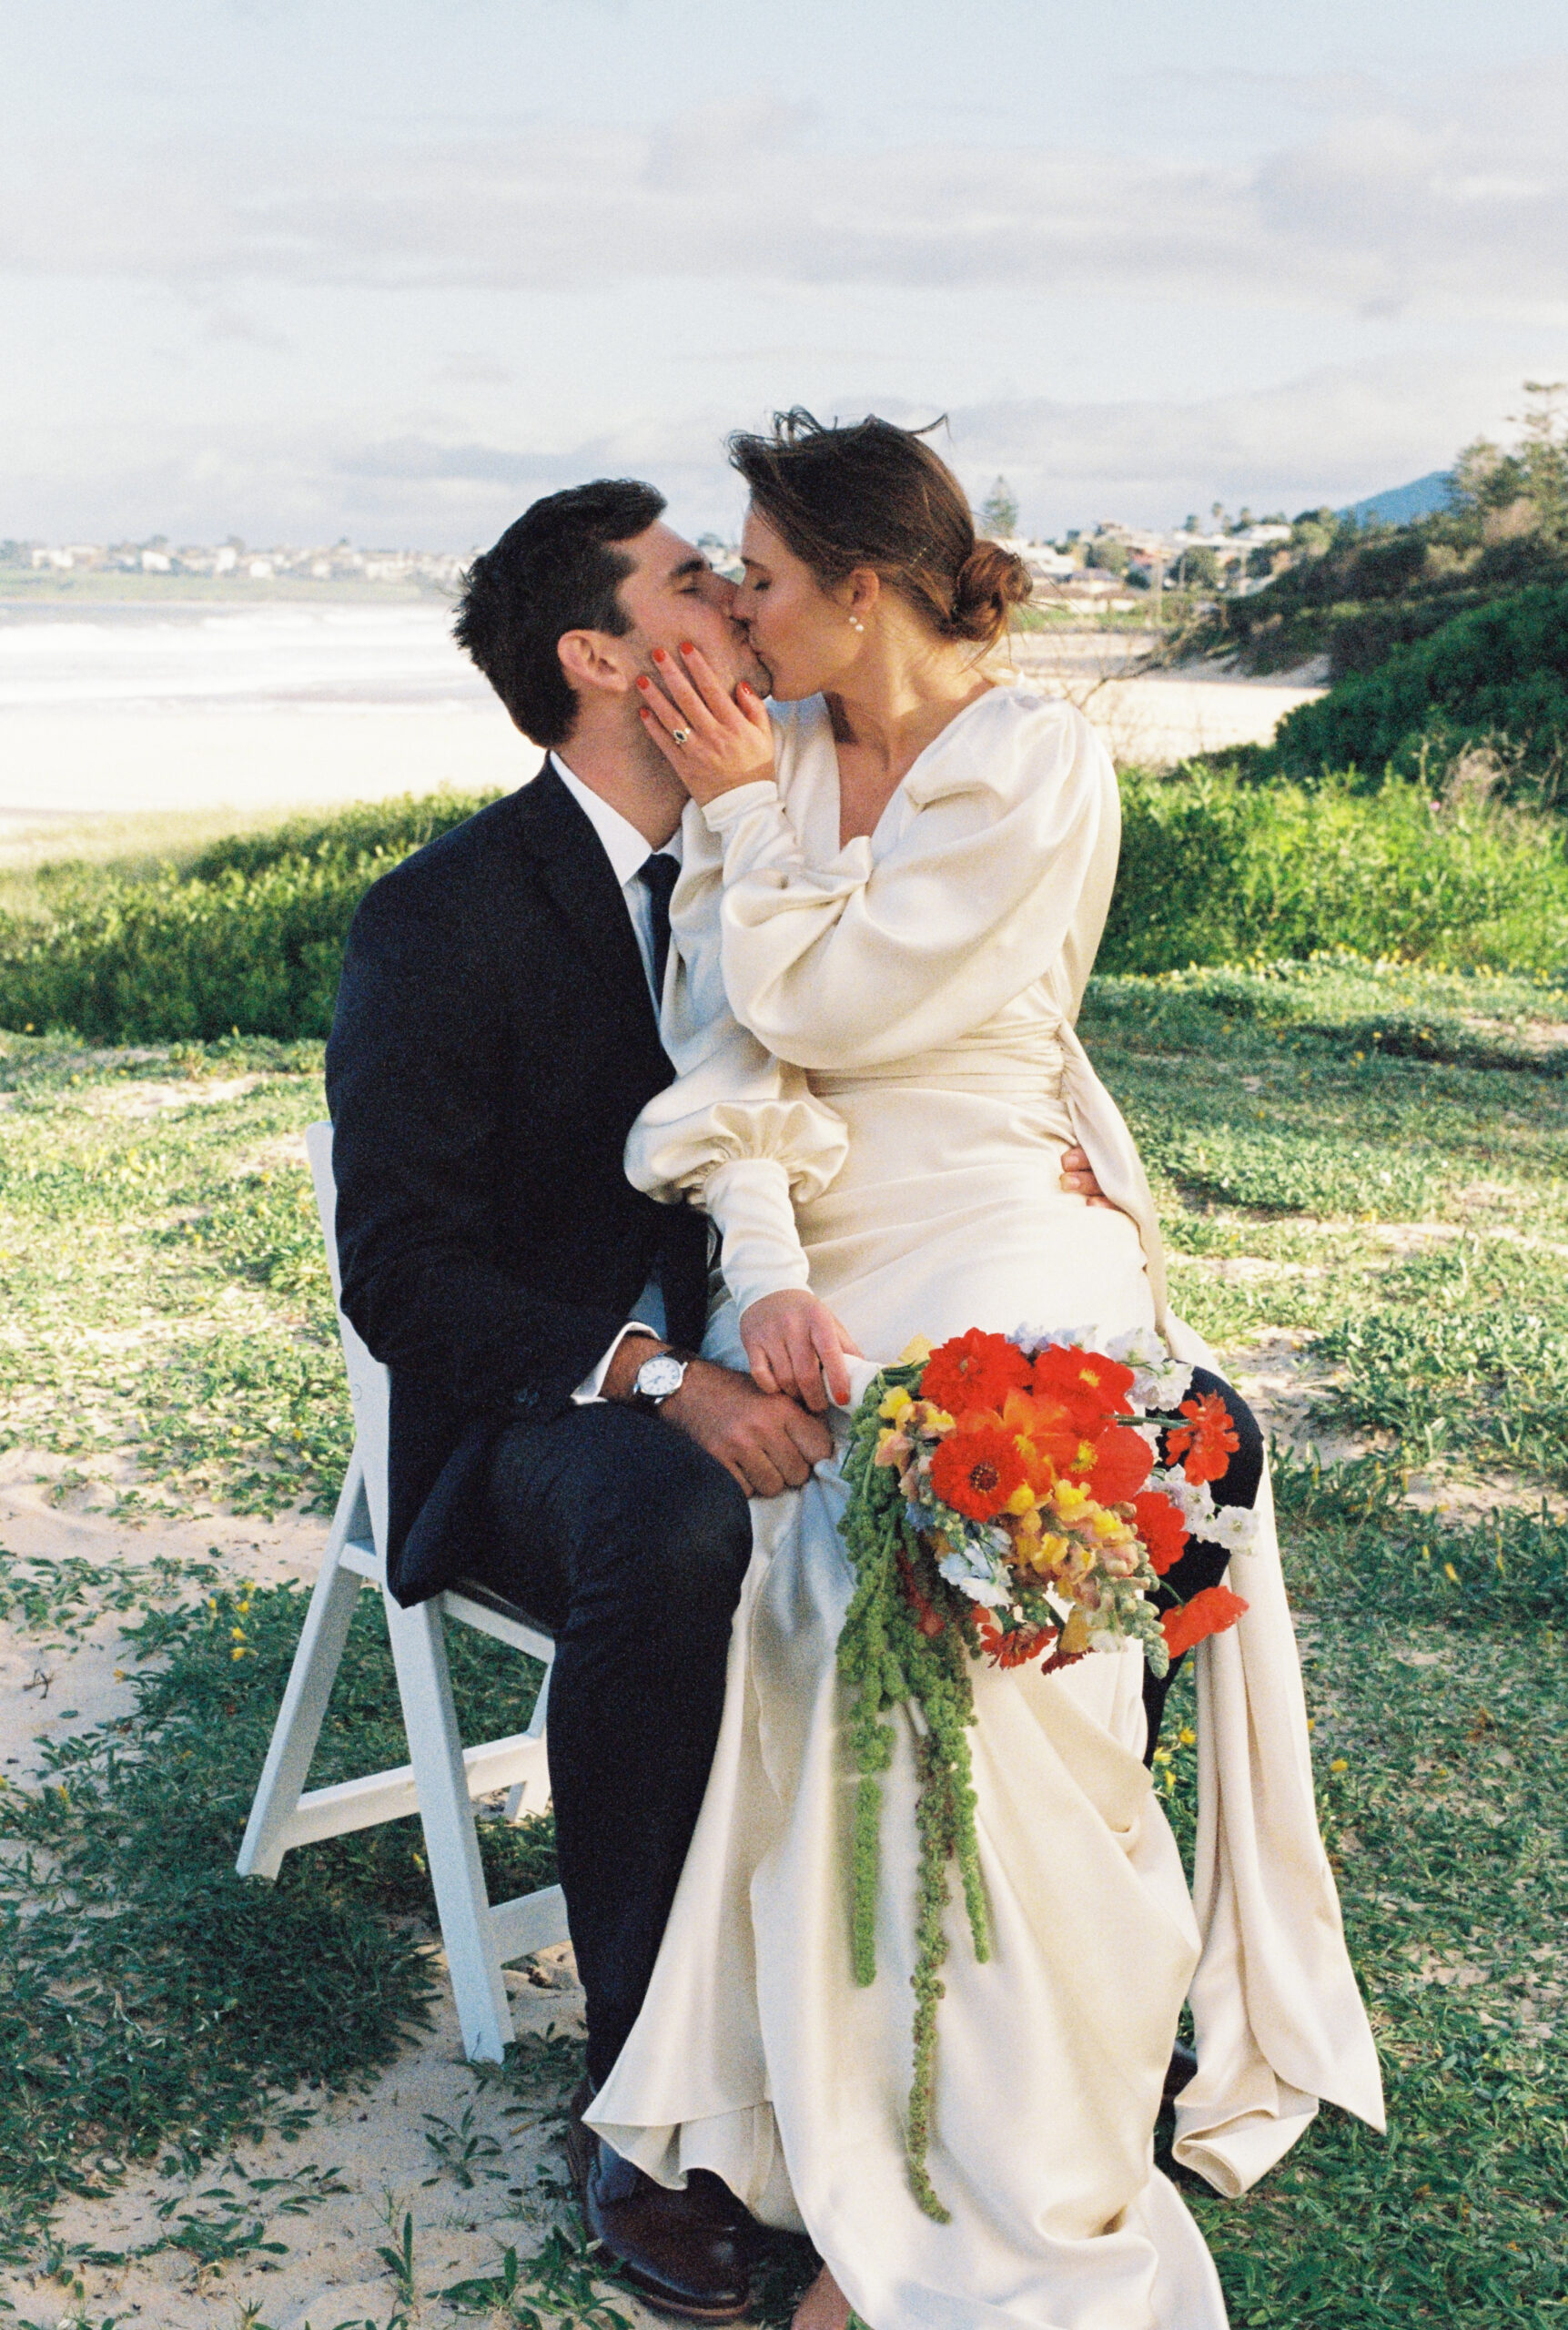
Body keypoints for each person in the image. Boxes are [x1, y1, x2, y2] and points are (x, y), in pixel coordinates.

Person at [579, 415, 1386, 2330]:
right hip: (824, 1252)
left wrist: (746, 827)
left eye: (758, 580)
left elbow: (845, 1001)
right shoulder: (759, 758)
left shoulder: (1031, 762)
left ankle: (1021, 2155)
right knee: (807, 1570)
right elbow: (732, 1061)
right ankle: (807, 2118)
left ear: (862, 589)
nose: (734, 615)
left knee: (980, 1594)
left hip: (1011, 1228)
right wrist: (758, 1277)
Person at [322, 474, 1118, 2324]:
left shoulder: (789, 819)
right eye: (701, 586)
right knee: (680, 1517)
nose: (745, 615)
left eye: (746, 584)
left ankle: (1017, 2025)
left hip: (791, 1348)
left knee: (1074, 1456)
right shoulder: (439, 915)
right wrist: (656, 1375)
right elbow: (405, 1275)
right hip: (541, 1410)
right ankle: (650, 2100)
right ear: (601, 656)